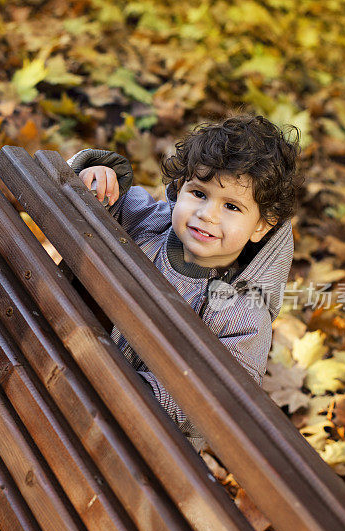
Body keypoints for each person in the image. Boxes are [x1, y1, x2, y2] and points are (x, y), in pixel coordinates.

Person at [67, 114, 301, 451]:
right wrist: (94, 174)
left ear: (262, 226)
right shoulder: (146, 222)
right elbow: (81, 197)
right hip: (70, 384)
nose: (207, 214)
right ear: (180, 189)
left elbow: (221, 399)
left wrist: (132, 390)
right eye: (199, 193)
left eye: (232, 206)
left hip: (142, 443)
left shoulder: (242, 314)